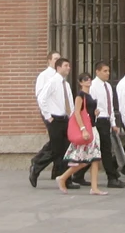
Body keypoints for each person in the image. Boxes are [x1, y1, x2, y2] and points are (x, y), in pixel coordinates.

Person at [56, 74, 107, 195]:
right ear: (80, 82)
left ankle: (93, 187)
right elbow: (77, 113)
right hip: (87, 130)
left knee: (93, 159)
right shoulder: (80, 96)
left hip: (92, 128)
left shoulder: (88, 95)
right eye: (85, 79)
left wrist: (94, 113)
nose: (88, 81)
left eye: (89, 79)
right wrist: (83, 129)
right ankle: (63, 177)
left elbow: (86, 112)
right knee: (87, 159)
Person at [28, 54, 73, 188]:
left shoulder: (66, 84)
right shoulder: (52, 81)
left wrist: (72, 117)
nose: (68, 68)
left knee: (66, 150)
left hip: (65, 119)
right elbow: (41, 98)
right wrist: (48, 116)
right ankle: (36, 167)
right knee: (56, 149)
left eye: (69, 66)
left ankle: (65, 179)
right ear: (58, 67)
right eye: (66, 66)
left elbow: (69, 102)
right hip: (56, 120)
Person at [89, 63, 125, 189]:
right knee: (105, 150)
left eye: (108, 71)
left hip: (106, 120)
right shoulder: (93, 86)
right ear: (97, 72)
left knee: (104, 149)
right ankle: (112, 177)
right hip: (98, 120)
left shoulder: (108, 87)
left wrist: (113, 123)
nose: (107, 73)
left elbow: (110, 106)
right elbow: (92, 105)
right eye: (105, 71)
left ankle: (78, 176)